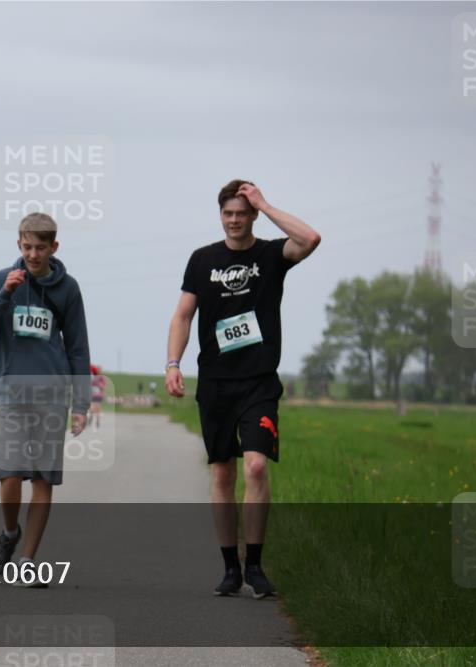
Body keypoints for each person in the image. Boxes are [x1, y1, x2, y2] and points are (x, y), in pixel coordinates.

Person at [164, 179, 320, 599]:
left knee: (255, 467)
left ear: (252, 216)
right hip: (215, 382)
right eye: (228, 213)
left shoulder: (271, 255)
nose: (234, 220)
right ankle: (230, 567)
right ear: (220, 216)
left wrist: (264, 203)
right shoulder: (202, 259)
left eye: (242, 213)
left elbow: (310, 238)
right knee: (222, 472)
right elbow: (183, 316)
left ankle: (255, 565)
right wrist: (173, 363)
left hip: (259, 382)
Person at [0, 212, 91, 583]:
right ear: (18, 244)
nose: (33, 255)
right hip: (11, 390)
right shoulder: (1, 280)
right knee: (10, 472)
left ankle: (27, 559)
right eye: (27, 247)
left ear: (54, 247)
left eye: (41, 248)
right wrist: (4, 294)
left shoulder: (68, 288)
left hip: (52, 393)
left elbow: (77, 347)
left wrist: (81, 404)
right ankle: (10, 532)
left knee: (42, 478)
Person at [89, 364, 107, 431]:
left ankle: (97, 422)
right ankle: (91, 417)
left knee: (98, 409)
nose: (98, 371)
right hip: (93, 395)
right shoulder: (93, 377)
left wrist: (99, 385)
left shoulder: (102, 378)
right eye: (97, 370)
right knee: (91, 408)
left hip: (99, 396)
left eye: (99, 370)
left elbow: (104, 387)